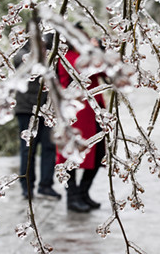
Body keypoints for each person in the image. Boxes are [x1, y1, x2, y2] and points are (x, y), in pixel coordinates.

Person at [56, 31, 106, 212]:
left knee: (99, 155)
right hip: (76, 116)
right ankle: (72, 197)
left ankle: (83, 193)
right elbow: (90, 67)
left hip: (93, 113)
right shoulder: (69, 57)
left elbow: (105, 70)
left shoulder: (84, 56)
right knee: (72, 157)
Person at [14, 33, 62, 200]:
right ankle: (27, 186)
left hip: (47, 109)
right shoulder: (22, 53)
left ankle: (46, 185)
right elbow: (22, 64)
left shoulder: (50, 54)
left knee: (49, 147)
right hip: (26, 109)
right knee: (28, 149)